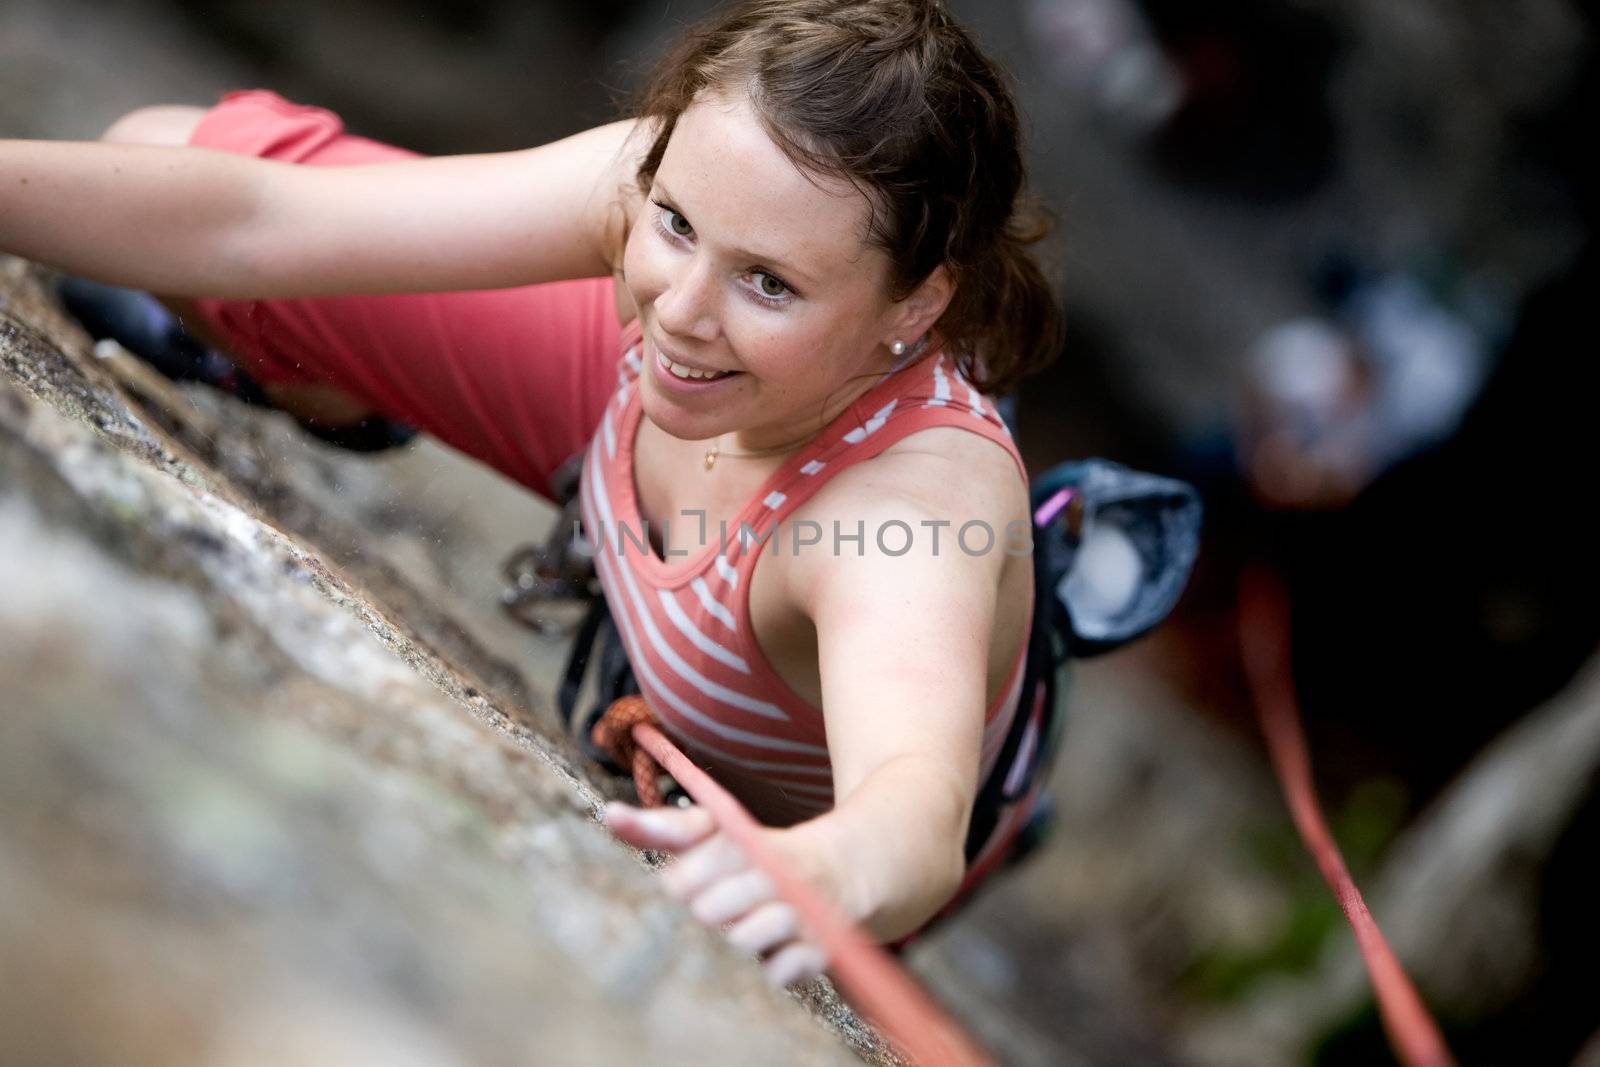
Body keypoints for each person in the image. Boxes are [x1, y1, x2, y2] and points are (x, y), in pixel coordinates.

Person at [1, 0, 1062, 987]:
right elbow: (258, 216)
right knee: (158, 149)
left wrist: (827, 867)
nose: (677, 309)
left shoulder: (901, 520)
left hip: (784, 561)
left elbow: (912, 817)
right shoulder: (694, 221)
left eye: (768, 281)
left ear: (920, 300)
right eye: (676, 222)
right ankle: (323, 383)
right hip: (639, 425)